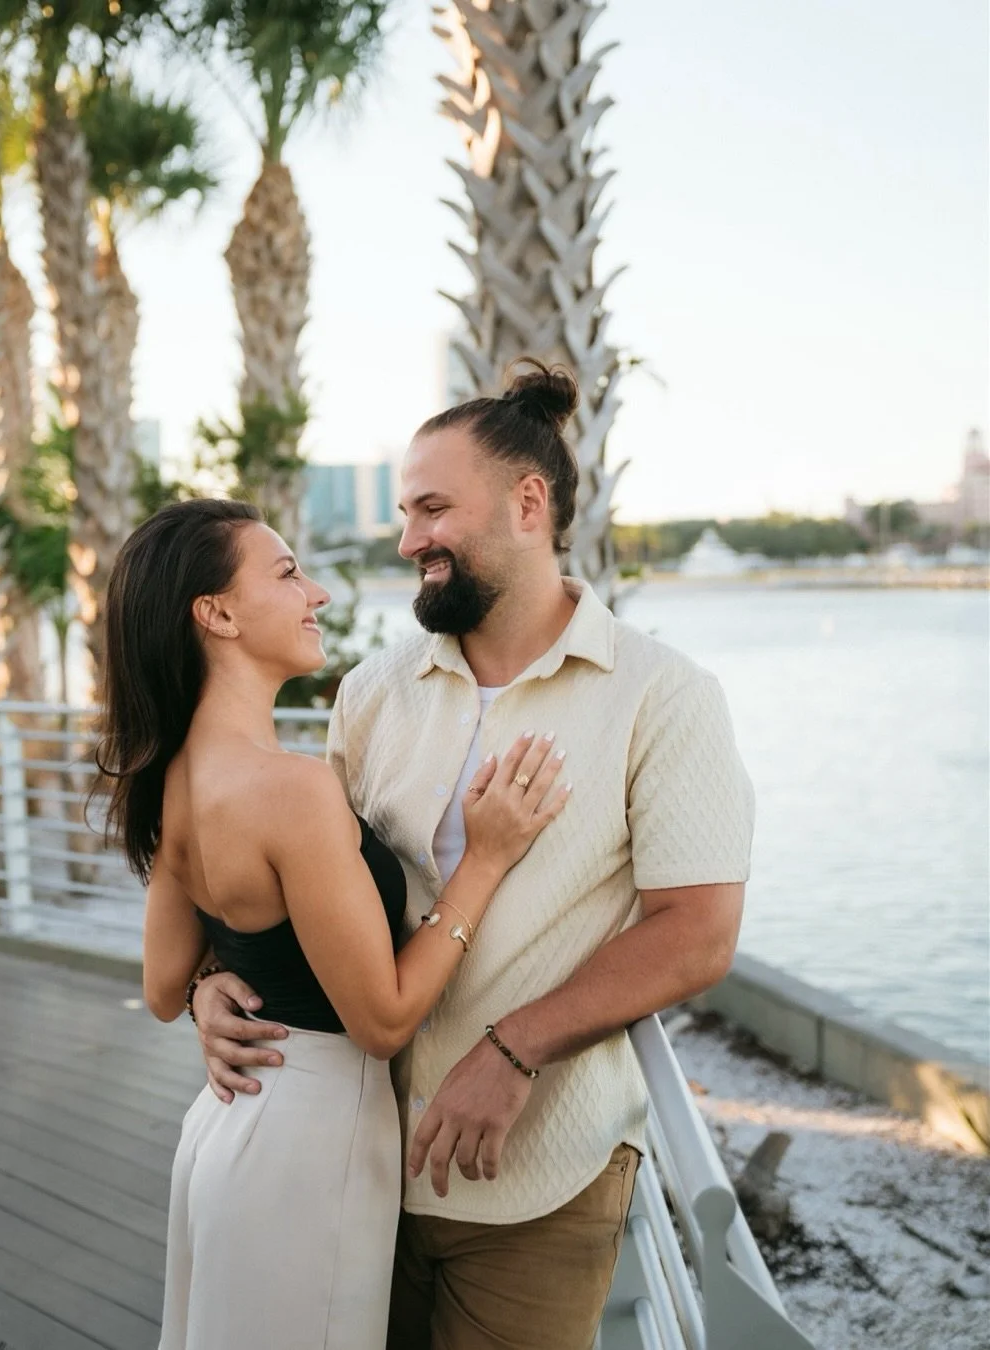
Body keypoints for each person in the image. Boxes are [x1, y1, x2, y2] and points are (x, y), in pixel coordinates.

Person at [192, 359, 756, 1350]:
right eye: (407, 514)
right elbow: (297, 883)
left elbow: (698, 936)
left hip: (538, 1185)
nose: (408, 540)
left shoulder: (663, 696)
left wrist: (513, 1049)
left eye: (432, 510)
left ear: (527, 503)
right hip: (351, 1157)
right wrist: (213, 979)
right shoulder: (372, 693)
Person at [90, 497, 571, 1350]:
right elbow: (382, 1020)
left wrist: (210, 991)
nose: (315, 594)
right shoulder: (294, 791)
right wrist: (486, 860)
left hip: (227, 1127)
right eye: (286, 573)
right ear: (218, 613)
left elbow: (165, 988)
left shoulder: (172, 779)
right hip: (309, 1145)